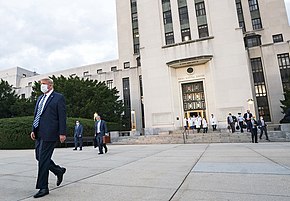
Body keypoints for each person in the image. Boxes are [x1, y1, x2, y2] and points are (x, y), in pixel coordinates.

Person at [30, 78, 67, 198]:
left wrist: (62, 133)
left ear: (50, 85)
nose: (42, 86)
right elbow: (37, 114)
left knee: (43, 159)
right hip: (39, 132)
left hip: (50, 133)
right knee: (39, 157)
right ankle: (58, 170)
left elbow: (62, 116)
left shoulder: (58, 97)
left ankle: (43, 187)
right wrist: (33, 129)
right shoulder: (40, 98)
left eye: (43, 84)